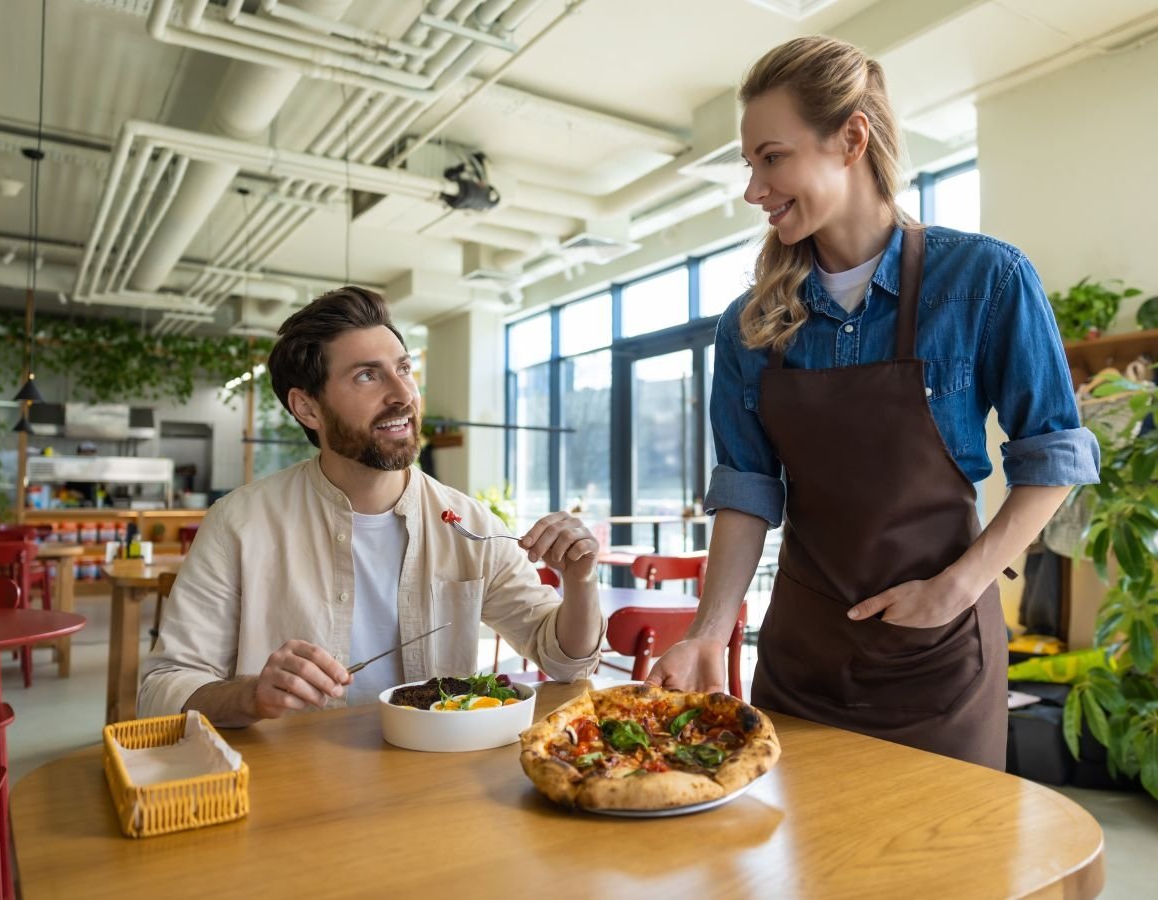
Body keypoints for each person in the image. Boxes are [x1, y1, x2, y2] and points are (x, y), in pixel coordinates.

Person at [646, 36, 1100, 770]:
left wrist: (956, 587)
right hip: (802, 660)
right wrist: (709, 630)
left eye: (771, 157)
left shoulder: (985, 280)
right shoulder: (749, 327)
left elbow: (1051, 456)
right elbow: (748, 491)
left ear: (850, 138)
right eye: (750, 164)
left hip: (941, 658)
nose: (753, 189)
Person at [139, 287, 604, 725]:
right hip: (296, 787)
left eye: (404, 369)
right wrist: (251, 695)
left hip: (432, 777)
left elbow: (564, 660)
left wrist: (579, 581)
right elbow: (163, 687)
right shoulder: (240, 523)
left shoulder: (470, 523)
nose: (402, 395)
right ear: (308, 409)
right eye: (367, 375)